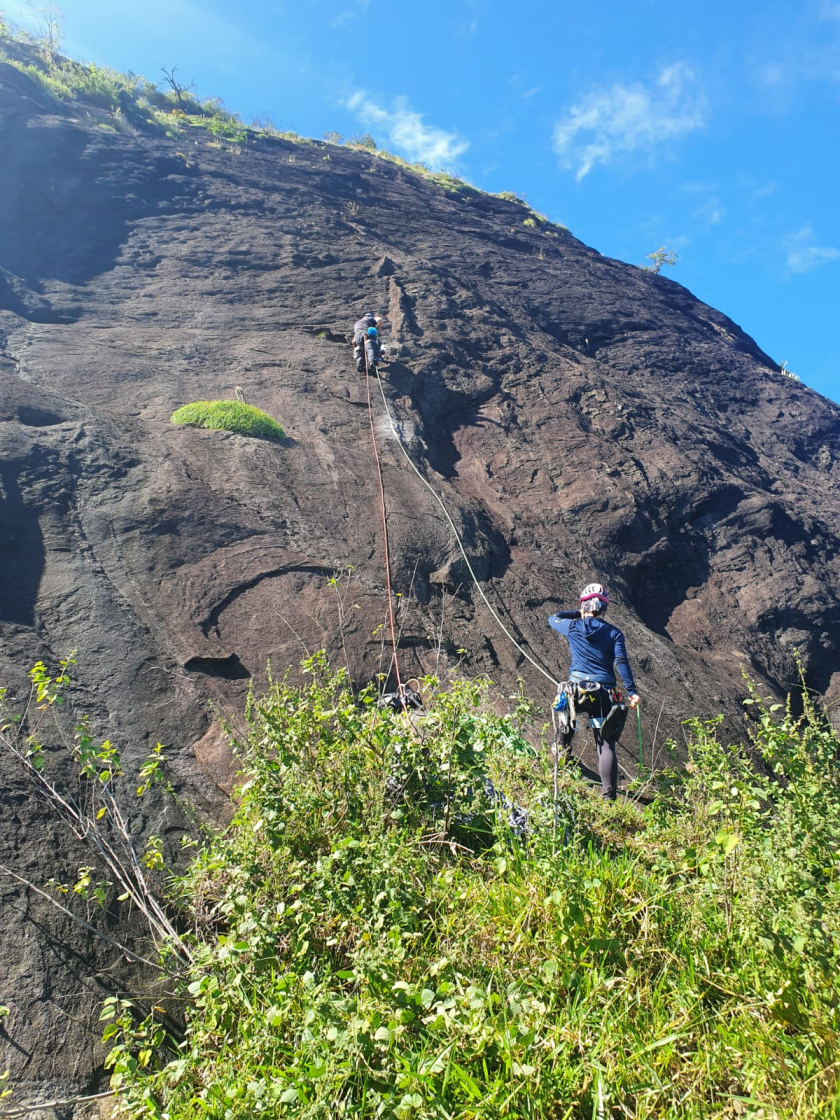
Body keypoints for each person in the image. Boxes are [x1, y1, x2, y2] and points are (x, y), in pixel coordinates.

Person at [548, 582, 640, 800]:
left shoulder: (572, 626)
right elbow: (621, 661)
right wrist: (631, 691)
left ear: (584, 605)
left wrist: (578, 612)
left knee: (567, 717)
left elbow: (553, 618)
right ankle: (609, 796)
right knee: (606, 744)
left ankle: (561, 754)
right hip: (604, 693)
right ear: (603, 609)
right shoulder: (614, 633)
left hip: (576, 688)